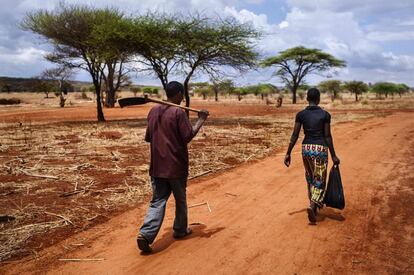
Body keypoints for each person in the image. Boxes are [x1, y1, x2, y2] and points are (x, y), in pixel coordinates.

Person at [137, 81, 209, 253]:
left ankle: (145, 234)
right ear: (177, 94)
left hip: (157, 166)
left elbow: (148, 138)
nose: (183, 97)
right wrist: (201, 119)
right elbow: (187, 136)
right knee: (180, 199)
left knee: (158, 201)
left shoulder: (153, 111)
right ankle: (180, 230)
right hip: (176, 166)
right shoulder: (178, 112)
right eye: (182, 94)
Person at [284, 88, 340, 224]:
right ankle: (313, 205)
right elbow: (327, 136)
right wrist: (333, 155)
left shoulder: (301, 114)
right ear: (319, 99)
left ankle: (313, 207)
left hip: (306, 149)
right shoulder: (325, 115)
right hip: (320, 149)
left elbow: (294, 135)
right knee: (319, 179)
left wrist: (288, 153)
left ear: (307, 99)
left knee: (310, 177)